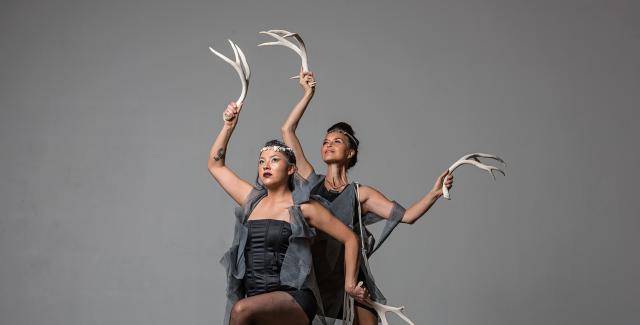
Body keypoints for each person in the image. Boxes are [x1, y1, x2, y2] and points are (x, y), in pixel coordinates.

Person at [280, 71, 454, 323]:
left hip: (348, 276)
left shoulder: (360, 193)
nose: (328, 144)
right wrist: (308, 94)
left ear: (350, 152)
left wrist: (435, 192)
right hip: (315, 273)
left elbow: (408, 216)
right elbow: (287, 130)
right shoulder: (310, 180)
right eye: (325, 141)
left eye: (336, 141)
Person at [208, 102, 367, 324]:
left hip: (294, 298)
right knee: (244, 309)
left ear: (291, 169)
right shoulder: (252, 200)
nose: (266, 166)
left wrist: (350, 284)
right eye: (262, 161)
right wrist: (228, 126)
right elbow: (216, 166)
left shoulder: (303, 208)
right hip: (256, 297)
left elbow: (350, 238)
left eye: (274, 160)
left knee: (240, 310)